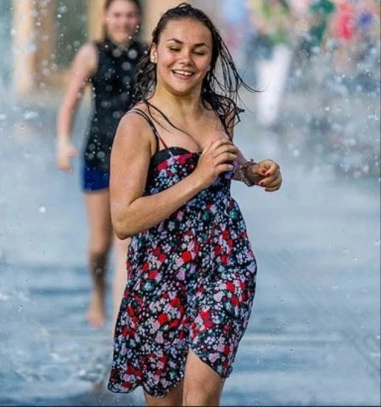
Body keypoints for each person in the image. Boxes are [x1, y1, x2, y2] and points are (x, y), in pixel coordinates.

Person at [106, 3, 283, 405]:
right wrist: (198, 178)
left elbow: (225, 164)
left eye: (199, 51)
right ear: (154, 51)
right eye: (175, 47)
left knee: (200, 401)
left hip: (225, 269)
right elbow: (124, 219)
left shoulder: (220, 112)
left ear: (211, 59)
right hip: (160, 281)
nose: (185, 59)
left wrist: (254, 172)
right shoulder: (138, 125)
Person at [55, 0, 148, 329]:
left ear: (138, 18)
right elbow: (70, 102)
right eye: (118, 15)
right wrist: (63, 141)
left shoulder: (148, 56)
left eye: (130, 15)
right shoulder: (91, 53)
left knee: (125, 246)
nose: (124, 21)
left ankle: (119, 327)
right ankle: (98, 293)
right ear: (107, 17)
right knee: (99, 246)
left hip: (135, 158)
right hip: (97, 153)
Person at [247, 0, 295, 131]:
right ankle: (266, 117)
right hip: (266, 48)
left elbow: (291, 25)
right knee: (265, 81)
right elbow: (258, 26)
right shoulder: (263, 7)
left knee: (277, 83)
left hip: (281, 47)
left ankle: (272, 116)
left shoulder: (285, 7)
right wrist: (273, 23)